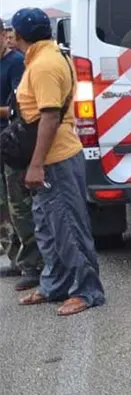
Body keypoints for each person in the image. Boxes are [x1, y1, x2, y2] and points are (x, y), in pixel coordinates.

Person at [9, 8, 105, 316]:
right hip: (49, 158)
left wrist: (36, 164)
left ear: (20, 36)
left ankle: (87, 291)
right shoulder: (47, 57)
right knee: (47, 227)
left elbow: (49, 116)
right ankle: (55, 284)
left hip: (55, 159)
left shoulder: (45, 66)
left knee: (68, 228)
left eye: (12, 32)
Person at [0, 18, 41, 291]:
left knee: (20, 207)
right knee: (5, 208)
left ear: (4, 36)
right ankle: (15, 257)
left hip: (14, 144)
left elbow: (18, 109)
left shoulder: (16, 64)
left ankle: (33, 265)